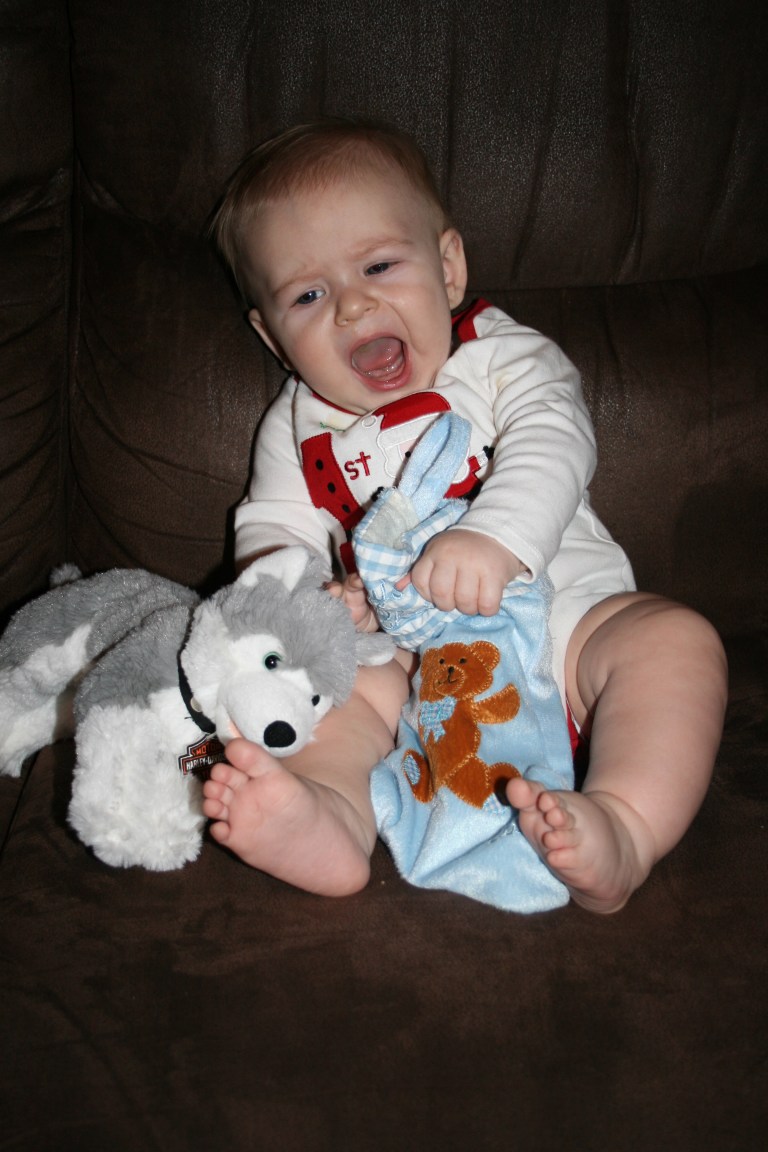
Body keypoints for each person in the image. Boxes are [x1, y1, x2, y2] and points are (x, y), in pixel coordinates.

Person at [202, 118, 727, 912]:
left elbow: (556, 434)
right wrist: (308, 603)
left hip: (563, 628)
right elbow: (272, 530)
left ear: (448, 267)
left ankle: (624, 823)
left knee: (675, 644)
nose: (352, 306)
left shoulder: (500, 358)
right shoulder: (296, 424)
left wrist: (496, 537)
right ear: (272, 336)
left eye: (379, 264)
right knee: (338, 706)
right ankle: (332, 818)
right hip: (409, 669)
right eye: (307, 295)